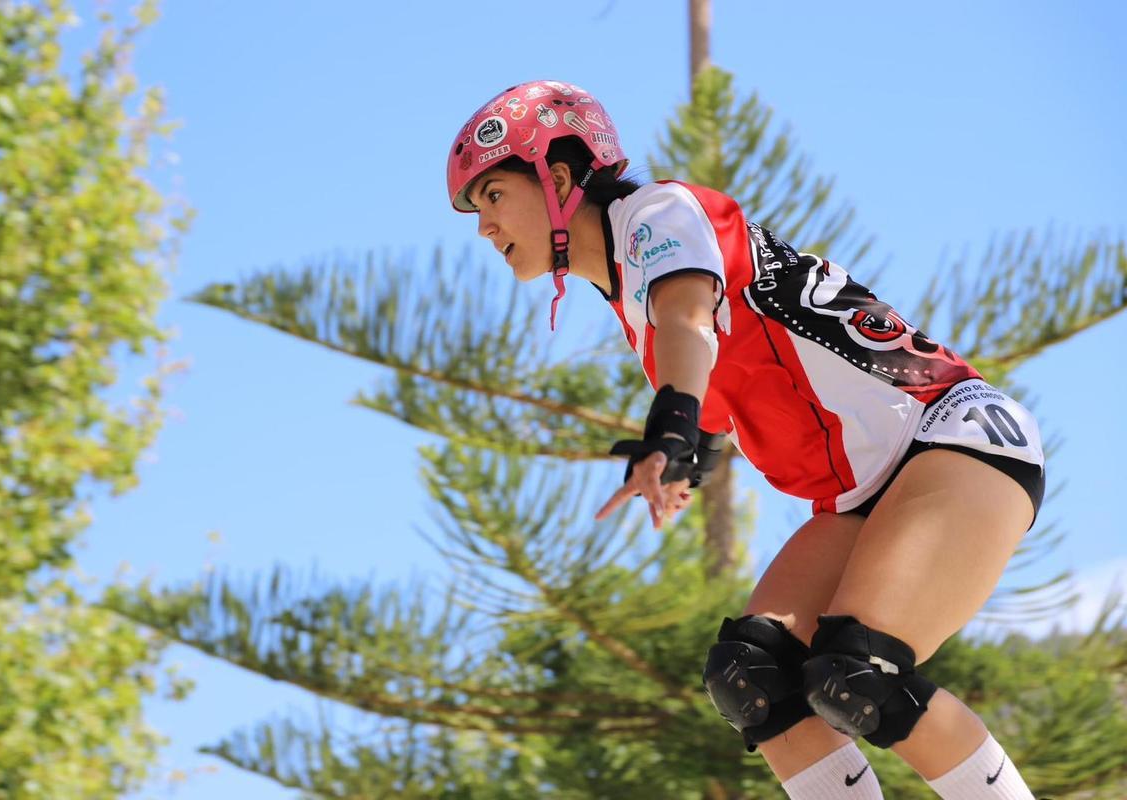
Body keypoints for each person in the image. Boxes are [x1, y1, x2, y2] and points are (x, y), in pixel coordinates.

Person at [446, 79, 1046, 800]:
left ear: (562, 179)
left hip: (951, 434)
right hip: (863, 495)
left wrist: (668, 428)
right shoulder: (634, 294)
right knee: (750, 675)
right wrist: (683, 457)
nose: (483, 227)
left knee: (858, 675)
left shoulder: (660, 214)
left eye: (491, 197)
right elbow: (723, 383)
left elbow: (689, 326)